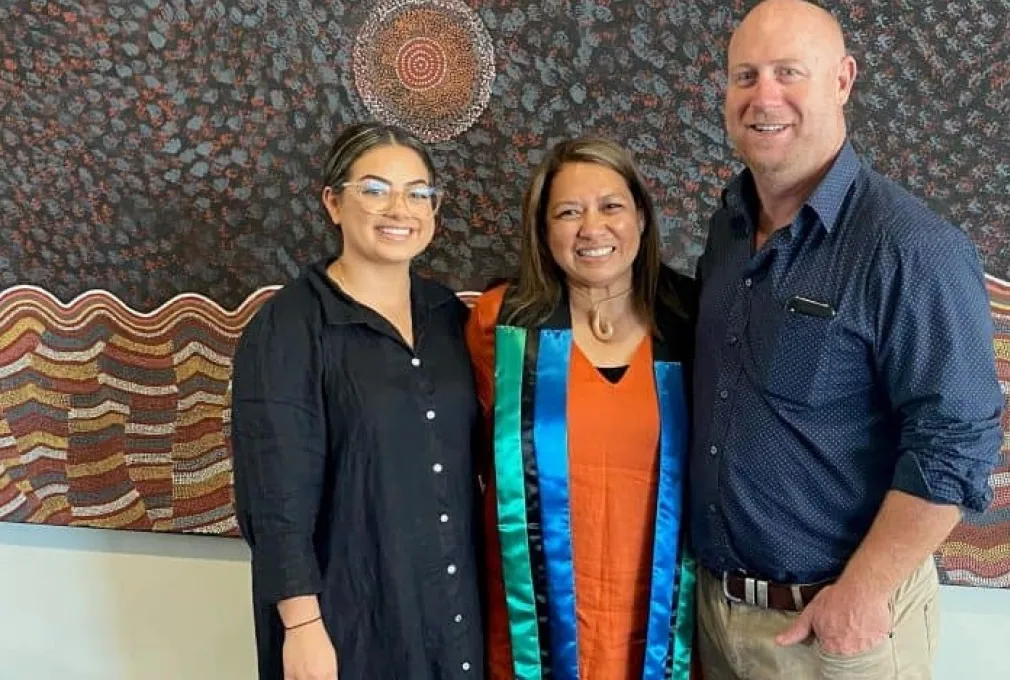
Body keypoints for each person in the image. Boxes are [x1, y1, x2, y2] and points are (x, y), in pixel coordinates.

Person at [689, 1, 1005, 678]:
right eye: (745, 76)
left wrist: (859, 596)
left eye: (788, 73)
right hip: (714, 622)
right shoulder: (728, 229)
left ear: (842, 80)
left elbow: (958, 444)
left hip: (835, 633)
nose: (762, 96)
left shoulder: (911, 248)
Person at [230, 122, 484, 680]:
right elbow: (274, 501)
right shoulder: (291, 326)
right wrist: (301, 630)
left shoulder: (449, 318)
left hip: (452, 611)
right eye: (375, 189)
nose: (401, 209)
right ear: (333, 202)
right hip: (346, 620)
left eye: (419, 193)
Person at [465, 137, 698, 680]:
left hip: (666, 630)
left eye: (611, 206)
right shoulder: (501, 329)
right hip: (534, 634)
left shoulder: (692, 323)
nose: (592, 228)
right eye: (568, 212)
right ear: (545, 232)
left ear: (640, 215)